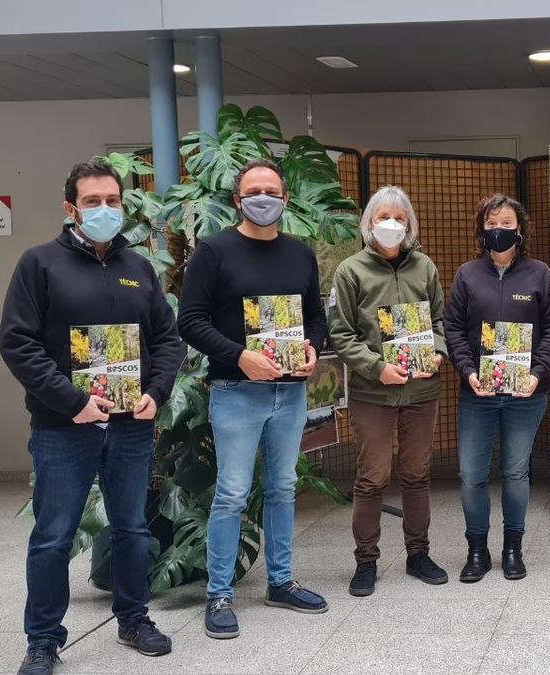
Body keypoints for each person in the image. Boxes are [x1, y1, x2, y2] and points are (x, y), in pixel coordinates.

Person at [0, 160, 186, 674]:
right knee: (54, 536)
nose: (105, 210)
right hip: (64, 429)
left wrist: (156, 391)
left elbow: (166, 340)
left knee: (131, 528)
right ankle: (42, 639)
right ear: (70, 209)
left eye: (112, 201)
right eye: (92, 202)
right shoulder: (39, 265)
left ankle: (133, 618)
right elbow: (18, 344)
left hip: (131, 425)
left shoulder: (139, 267)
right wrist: (73, 401)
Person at [177, 159, 327, 639]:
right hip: (237, 391)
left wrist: (312, 349)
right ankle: (219, 595)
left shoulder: (301, 254)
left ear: (285, 198)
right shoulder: (214, 252)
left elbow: (316, 318)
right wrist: (240, 357)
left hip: (290, 391)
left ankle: (280, 581)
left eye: (272, 190)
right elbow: (191, 321)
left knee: (283, 488)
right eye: (253, 191)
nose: (264, 198)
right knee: (232, 494)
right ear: (238, 200)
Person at [328, 186, 449, 595]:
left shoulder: (425, 268)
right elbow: (341, 334)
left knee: (417, 475)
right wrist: (376, 368)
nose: (391, 224)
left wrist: (436, 352)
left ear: (410, 224)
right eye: (383, 217)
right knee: (372, 478)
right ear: (368, 223)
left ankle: (418, 553)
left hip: (420, 393)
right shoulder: (351, 271)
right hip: (373, 394)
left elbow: (441, 322)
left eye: (399, 218)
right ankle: (366, 561)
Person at [444, 194, 550, 582]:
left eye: (507, 223)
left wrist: (537, 372)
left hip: (526, 394)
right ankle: (476, 551)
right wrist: (466, 370)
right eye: (492, 223)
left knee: (515, 472)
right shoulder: (466, 275)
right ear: (482, 229)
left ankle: (513, 549)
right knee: (471, 475)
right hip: (476, 393)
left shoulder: (539, 274)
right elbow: (452, 328)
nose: (499, 230)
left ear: (520, 228)